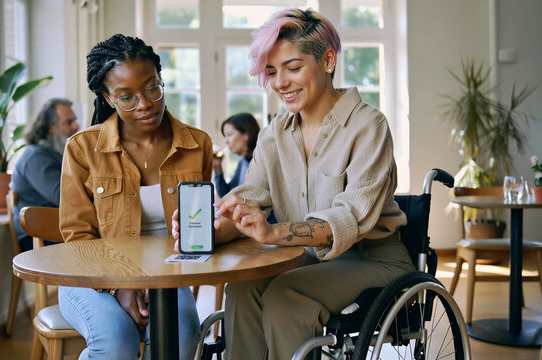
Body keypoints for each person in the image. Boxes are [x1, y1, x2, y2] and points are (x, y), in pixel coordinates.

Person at [172, 8, 415, 359]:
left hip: (373, 258)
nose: (280, 82)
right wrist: (213, 227)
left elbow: (349, 217)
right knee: (242, 289)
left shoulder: (368, 126)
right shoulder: (274, 134)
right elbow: (249, 197)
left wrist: (274, 234)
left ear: (328, 60)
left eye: (293, 68)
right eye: (272, 71)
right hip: (309, 258)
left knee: (286, 295)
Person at [58, 34, 210, 360]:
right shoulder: (82, 148)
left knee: (181, 342)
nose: (144, 104)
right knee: (116, 343)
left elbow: (201, 229)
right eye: (126, 97)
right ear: (107, 97)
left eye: (152, 88)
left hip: (167, 278)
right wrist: (120, 286)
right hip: (91, 275)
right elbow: (79, 239)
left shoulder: (198, 145)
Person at [10, 98, 79, 252]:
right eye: (68, 122)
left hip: (57, 233)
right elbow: (66, 198)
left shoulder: (53, 154)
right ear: (50, 128)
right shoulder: (36, 158)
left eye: (75, 120)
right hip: (38, 239)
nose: (76, 126)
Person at [213, 112, 260, 197]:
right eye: (225, 136)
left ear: (246, 134)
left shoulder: (260, 163)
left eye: (229, 135)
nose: (226, 141)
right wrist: (218, 168)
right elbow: (227, 194)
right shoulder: (243, 162)